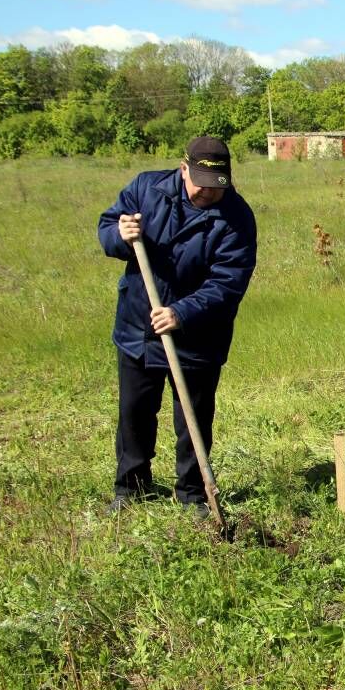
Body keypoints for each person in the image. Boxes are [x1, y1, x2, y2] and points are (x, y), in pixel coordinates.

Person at [98, 136, 257, 517]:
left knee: (193, 421)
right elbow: (108, 227)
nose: (208, 192)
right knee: (134, 413)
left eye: (217, 185)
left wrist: (181, 313)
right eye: (200, 182)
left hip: (199, 336)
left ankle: (193, 493)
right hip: (138, 326)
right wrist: (119, 236)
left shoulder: (237, 216)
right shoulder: (145, 189)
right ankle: (131, 487)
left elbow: (229, 281)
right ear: (183, 168)